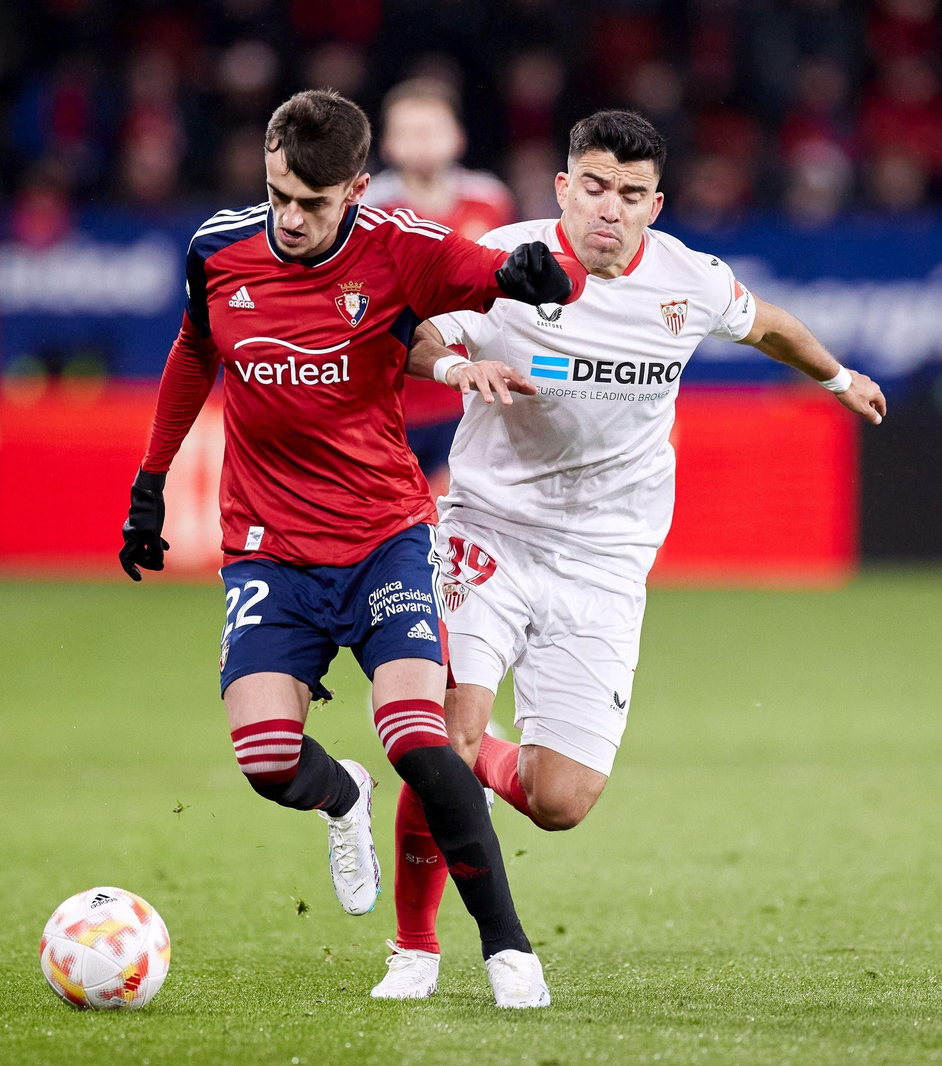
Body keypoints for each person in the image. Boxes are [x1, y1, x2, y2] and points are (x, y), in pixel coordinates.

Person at [372, 110, 887, 999]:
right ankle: (414, 948)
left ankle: (478, 754)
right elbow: (414, 337)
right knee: (442, 734)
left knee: (561, 799)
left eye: (633, 194)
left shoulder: (687, 281)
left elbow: (767, 325)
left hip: (607, 559)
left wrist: (838, 379)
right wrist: (459, 369)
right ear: (565, 188)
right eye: (597, 187)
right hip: (487, 529)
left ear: (658, 203)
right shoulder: (504, 261)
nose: (612, 209)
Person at [116, 89, 586, 1007]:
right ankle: (344, 801)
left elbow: (493, 271)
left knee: (419, 736)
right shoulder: (218, 248)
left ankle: (507, 947)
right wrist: (149, 481)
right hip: (267, 547)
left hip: (384, 537)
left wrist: (534, 273)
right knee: (263, 760)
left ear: (356, 188)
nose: (291, 218)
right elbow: (191, 354)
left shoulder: (400, 244)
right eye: (279, 194)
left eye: (314, 203)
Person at [364, 79, 516, 481]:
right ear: (387, 144)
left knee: (458, 517)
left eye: (431, 131)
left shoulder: (491, 199)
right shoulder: (368, 207)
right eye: (408, 132)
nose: (421, 142)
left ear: (458, 138)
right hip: (393, 397)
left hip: (469, 395)